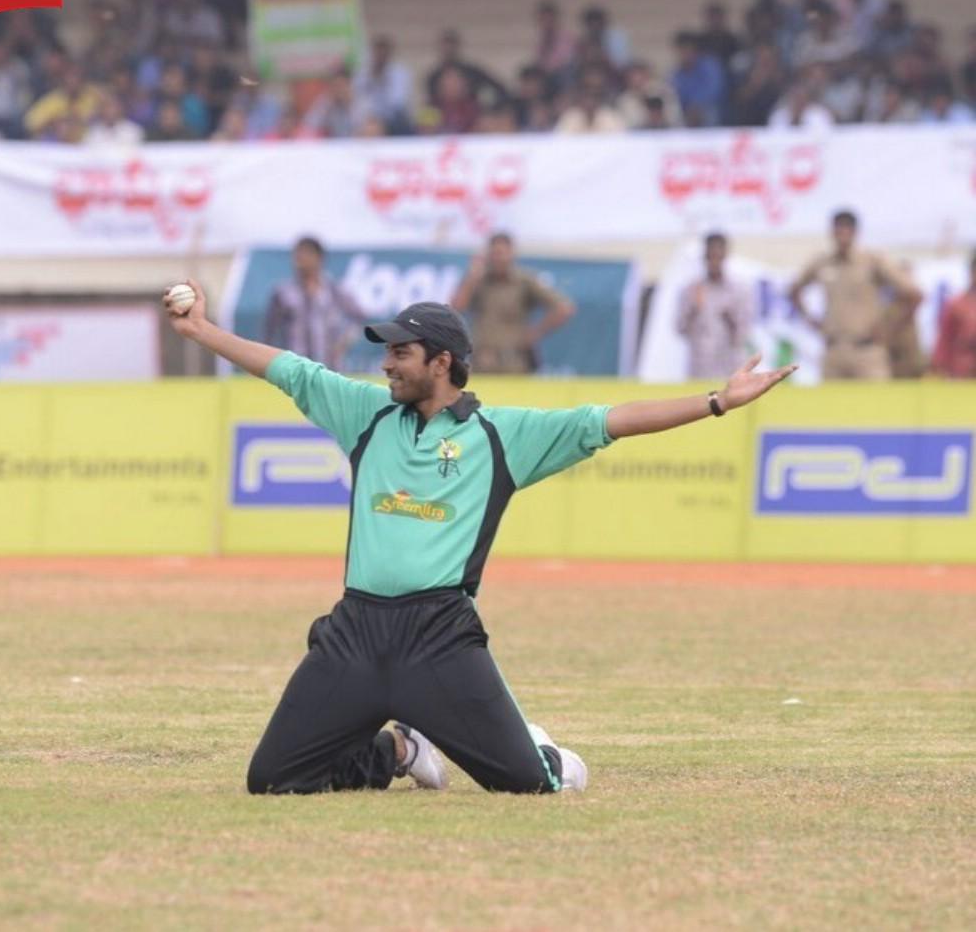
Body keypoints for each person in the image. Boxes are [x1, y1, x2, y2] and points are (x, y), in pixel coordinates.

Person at [163, 282, 796, 796]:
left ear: (441, 362)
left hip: (438, 636)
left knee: (530, 785)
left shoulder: (501, 435)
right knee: (272, 779)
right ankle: (403, 748)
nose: (385, 364)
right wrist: (199, 331)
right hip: (355, 630)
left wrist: (717, 401)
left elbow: (614, 421)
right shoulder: (367, 413)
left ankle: (545, 749)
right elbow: (288, 370)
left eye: (400, 353)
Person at [789, 210, 922, 380]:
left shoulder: (871, 261)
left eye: (847, 230)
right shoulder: (823, 262)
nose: (842, 236)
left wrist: (888, 325)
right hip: (833, 350)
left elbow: (912, 294)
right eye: (839, 230)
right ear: (832, 232)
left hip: (867, 351)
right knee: (829, 405)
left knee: (876, 405)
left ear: (855, 232)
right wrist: (811, 320)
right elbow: (794, 290)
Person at [451, 232, 575, 374]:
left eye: (502, 253)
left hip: (514, 362)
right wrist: (472, 277)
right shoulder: (478, 281)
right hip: (482, 361)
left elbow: (564, 308)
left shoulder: (524, 281)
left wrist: (535, 333)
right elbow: (456, 309)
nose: (499, 258)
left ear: (512, 254)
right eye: (495, 253)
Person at [263, 237, 366, 369]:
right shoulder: (283, 292)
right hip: (295, 368)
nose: (300, 260)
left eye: (306, 254)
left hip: (329, 367)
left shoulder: (334, 290)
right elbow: (269, 332)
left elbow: (360, 318)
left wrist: (343, 344)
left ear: (319, 258)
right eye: (297, 255)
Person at [677, 233, 754, 379]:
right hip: (700, 368)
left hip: (730, 367)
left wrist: (730, 318)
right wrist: (693, 310)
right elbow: (680, 329)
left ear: (725, 256)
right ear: (704, 257)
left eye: (718, 256)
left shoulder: (739, 291)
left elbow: (744, 334)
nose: (714, 262)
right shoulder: (692, 290)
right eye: (710, 256)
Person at [931, 251, 976, 379]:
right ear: (971, 273)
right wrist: (939, 368)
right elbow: (945, 338)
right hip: (963, 368)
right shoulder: (955, 304)